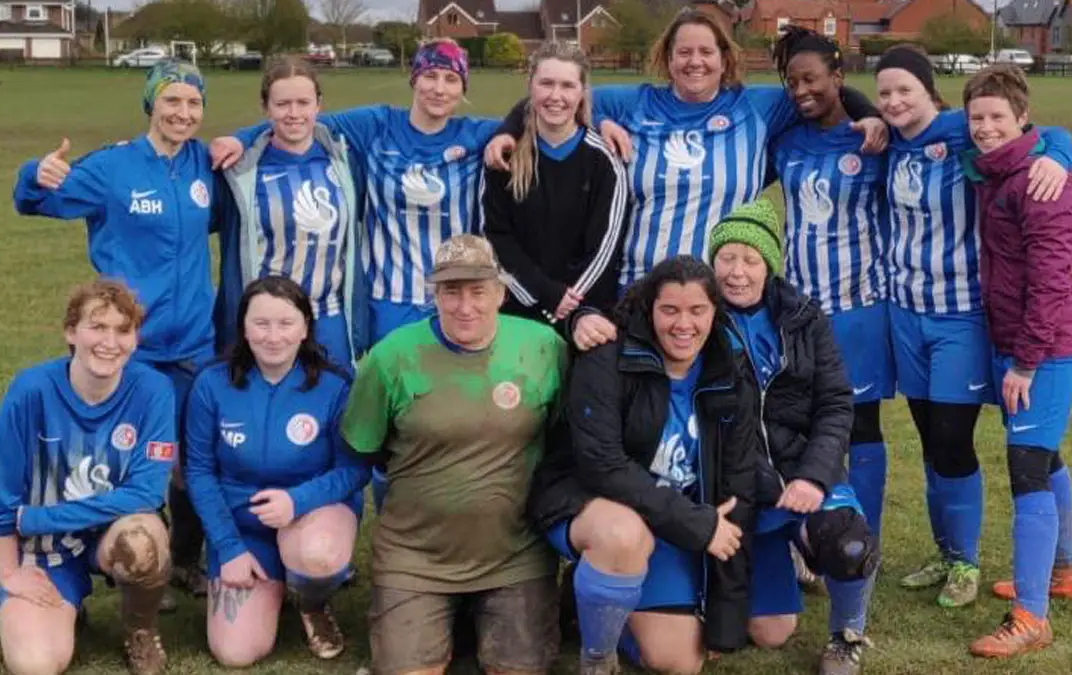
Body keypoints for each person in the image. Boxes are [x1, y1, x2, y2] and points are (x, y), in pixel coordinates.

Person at [212, 39, 503, 510]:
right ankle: (386, 525)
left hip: (453, 304)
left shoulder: (477, 133)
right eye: (430, 75)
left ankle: (453, 516)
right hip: (386, 301)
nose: (438, 87)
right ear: (414, 78)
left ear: (464, 87)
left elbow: (538, 118)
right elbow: (298, 121)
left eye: (451, 78)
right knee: (380, 422)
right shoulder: (374, 125)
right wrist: (240, 138)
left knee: (451, 415)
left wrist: (514, 135)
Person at [874, 45, 1072, 608]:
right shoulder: (883, 139)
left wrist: (1059, 155)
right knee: (927, 442)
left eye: (904, 90)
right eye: (884, 92)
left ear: (929, 91)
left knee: (951, 439)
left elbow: (1046, 133)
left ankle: (965, 562)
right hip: (904, 311)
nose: (894, 101)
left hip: (961, 313)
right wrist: (868, 117)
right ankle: (945, 551)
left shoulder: (963, 129)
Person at [486, 9, 887, 294]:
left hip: (722, 291)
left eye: (706, 52)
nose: (695, 61)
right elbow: (554, 96)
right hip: (638, 286)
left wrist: (868, 113)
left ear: (724, 57)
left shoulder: (756, 107)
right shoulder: (633, 104)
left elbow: (820, 91)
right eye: (684, 52)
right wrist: (513, 129)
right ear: (668, 57)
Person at [12, 59, 217, 604]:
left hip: (195, 345)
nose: (183, 112)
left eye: (194, 103)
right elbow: (37, 200)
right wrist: (36, 175)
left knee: (195, 458)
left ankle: (186, 559)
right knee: (140, 456)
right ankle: (141, 561)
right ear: (152, 104)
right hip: (131, 347)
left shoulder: (204, 164)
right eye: (172, 100)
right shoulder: (112, 168)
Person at [339, 234, 569, 675]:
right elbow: (362, 448)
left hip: (514, 556)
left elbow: (562, 439)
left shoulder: (544, 347)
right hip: (416, 558)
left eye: (478, 290)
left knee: (518, 668)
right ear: (435, 295)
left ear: (501, 293)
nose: (465, 306)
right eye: (451, 291)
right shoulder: (390, 358)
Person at [530, 255, 769, 675]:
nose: (683, 325)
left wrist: (724, 619)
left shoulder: (729, 369)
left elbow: (739, 486)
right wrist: (697, 524)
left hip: (673, 519)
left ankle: (595, 598)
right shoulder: (608, 358)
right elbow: (601, 466)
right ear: (649, 308)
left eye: (697, 311)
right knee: (624, 536)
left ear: (715, 312)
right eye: (669, 310)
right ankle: (597, 658)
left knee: (679, 661)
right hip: (589, 502)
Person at [708, 200, 879, 675]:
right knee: (771, 632)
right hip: (740, 485)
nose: (736, 273)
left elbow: (836, 404)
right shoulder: (697, 317)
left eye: (750, 260)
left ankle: (846, 636)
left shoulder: (805, 318)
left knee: (846, 542)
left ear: (770, 265)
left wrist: (813, 476)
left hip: (800, 469)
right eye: (726, 258)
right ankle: (781, 550)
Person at [0, 279, 176, 675]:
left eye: (123, 330)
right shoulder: (30, 389)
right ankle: (65, 605)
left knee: (143, 540)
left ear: (135, 338)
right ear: (71, 332)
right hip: (46, 547)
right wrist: (10, 574)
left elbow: (146, 492)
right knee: (34, 664)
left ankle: (140, 629)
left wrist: (36, 519)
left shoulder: (154, 390)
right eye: (97, 327)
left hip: (111, 532)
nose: (110, 342)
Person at [960, 65, 1072, 658]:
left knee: (1027, 467)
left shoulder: (1043, 182)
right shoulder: (995, 170)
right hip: (1015, 340)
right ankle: (1062, 572)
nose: (985, 128)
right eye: (977, 118)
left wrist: (1027, 361)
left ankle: (1031, 617)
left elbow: (1052, 280)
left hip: (1047, 347)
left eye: (997, 118)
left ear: (1021, 120)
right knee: (1046, 453)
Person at [184, 276, 365, 665]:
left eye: (285, 323)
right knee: (235, 652)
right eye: (261, 323)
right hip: (242, 528)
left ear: (305, 328)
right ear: (243, 328)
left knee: (317, 554)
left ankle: (312, 603)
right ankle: (273, 582)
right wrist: (228, 548)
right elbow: (198, 472)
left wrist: (296, 501)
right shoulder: (210, 384)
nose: (273, 336)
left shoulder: (334, 386)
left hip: (312, 516)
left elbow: (354, 470)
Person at [767, 26, 896, 543]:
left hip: (860, 307)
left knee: (860, 427)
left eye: (813, 79)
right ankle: (804, 535)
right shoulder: (784, 142)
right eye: (792, 82)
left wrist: (875, 115)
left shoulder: (877, 139)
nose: (802, 91)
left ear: (838, 77)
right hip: (798, 313)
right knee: (795, 425)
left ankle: (862, 537)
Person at [215, 56, 367, 375]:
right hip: (268, 325)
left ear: (318, 105)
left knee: (335, 415)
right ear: (266, 107)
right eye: (283, 104)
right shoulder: (240, 169)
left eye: (303, 102)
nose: (294, 113)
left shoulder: (344, 160)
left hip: (330, 318)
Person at [482, 41, 628, 326]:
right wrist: (545, 295)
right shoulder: (504, 156)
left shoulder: (604, 161)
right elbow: (496, 237)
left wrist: (568, 304)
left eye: (567, 86)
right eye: (546, 83)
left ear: (582, 92)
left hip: (585, 313)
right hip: (518, 310)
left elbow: (605, 247)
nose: (555, 96)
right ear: (530, 85)